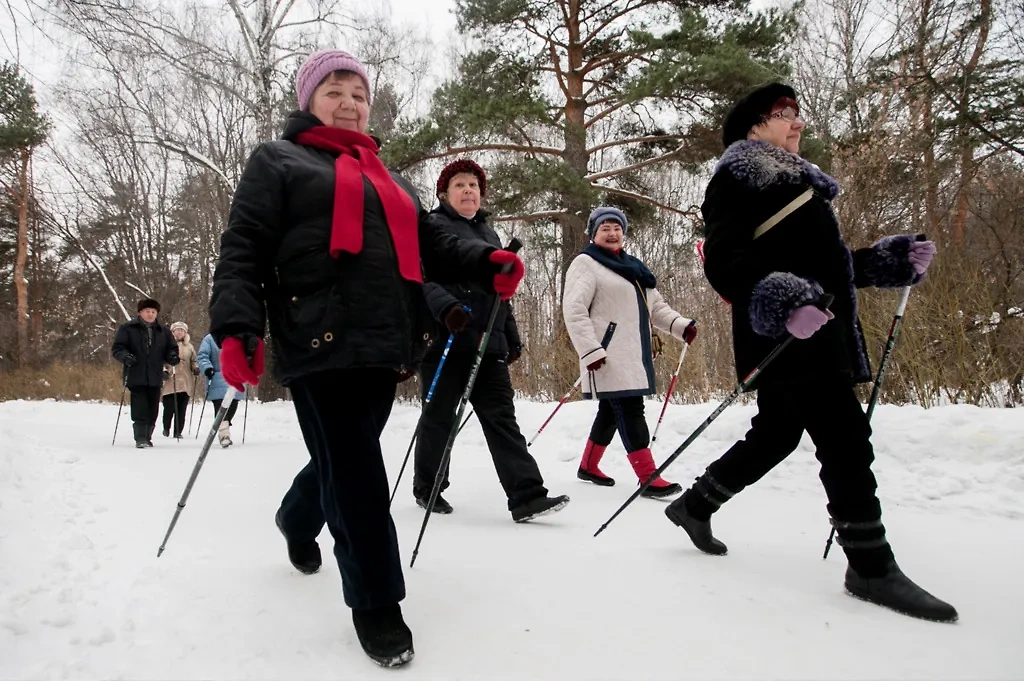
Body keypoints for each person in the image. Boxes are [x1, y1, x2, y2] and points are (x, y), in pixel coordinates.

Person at [206, 49, 526, 667]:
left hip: (386, 344)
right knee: (357, 469)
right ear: (308, 100)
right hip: (316, 336)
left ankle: (297, 518)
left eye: (359, 93)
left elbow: (435, 243)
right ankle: (377, 601)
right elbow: (243, 246)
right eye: (335, 91)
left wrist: (486, 263)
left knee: (342, 455)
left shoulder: (390, 179)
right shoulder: (279, 161)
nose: (349, 103)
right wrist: (237, 326)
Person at [663, 82, 955, 623]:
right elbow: (723, 262)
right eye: (782, 114)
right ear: (753, 126)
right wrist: (783, 300)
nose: (796, 122)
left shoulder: (800, 186)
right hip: (786, 335)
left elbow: (831, 267)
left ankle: (695, 504)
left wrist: (889, 263)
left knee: (776, 434)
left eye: (798, 113)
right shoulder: (737, 178)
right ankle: (869, 564)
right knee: (845, 436)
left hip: (815, 331)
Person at [413, 159, 569, 521]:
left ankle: (526, 495)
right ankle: (428, 487)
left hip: (488, 344)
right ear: (444, 194)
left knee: (502, 419)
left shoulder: (489, 235)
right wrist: (447, 308)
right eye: (460, 186)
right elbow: (422, 281)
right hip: (447, 340)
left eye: (474, 186)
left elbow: (501, 293)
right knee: (439, 417)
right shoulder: (433, 228)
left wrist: (510, 336)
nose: (469, 191)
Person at [562, 206, 698, 498]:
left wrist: (681, 326)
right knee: (631, 408)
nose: (612, 234)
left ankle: (588, 466)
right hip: (606, 355)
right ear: (593, 234)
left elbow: (656, 308)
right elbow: (573, 310)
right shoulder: (585, 264)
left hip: (634, 353)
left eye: (617, 228)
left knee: (612, 410)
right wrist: (590, 351)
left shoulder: (634, 268)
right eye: (605, 229)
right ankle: (648, 477)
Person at [111, 298, 179, 448]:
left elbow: (171, 348)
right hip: (136, 373)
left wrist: (172, 357)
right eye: (147, 311)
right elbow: (118, 348)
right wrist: (125, 357)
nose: (150, 314)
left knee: (153, 408)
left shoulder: (163, 331)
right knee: (140, 407)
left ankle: (147, 435)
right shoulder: (128, 328)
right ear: (140, 312)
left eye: (153, 312)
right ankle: (140, 437)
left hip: (155, 376)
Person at [197, 332, 246, 447]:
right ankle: (224, 434)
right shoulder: (210, 339)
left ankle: (224, 427)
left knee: (232, 406)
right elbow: (203, 355)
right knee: (220, 407)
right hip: (217, 376)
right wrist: (207, 368)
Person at [161, 321, 199, 439]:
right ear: (172, 332)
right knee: (169, 407)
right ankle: (166, 428)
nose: (179, 332)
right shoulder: (166, 344)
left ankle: (178, 431)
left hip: (185, 380)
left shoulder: (189, 347)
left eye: (182, 330)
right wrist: (163, 370)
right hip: (170, 381)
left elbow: (194, 360)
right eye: (177, 330)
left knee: (181, 409)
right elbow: (160, 359)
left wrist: (196, 368)